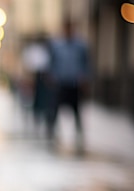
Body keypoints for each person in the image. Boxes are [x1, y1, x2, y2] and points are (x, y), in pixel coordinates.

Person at [46, 20, 91, 152]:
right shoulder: (56, 45)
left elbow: (86, 63)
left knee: (77, 110)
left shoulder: (81, 46)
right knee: (55, 109)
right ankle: (52, 132)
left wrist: (85, 79)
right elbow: (51, 62)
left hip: (74, 83)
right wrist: (51, 76)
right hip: (60, 82)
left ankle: (79, 134)